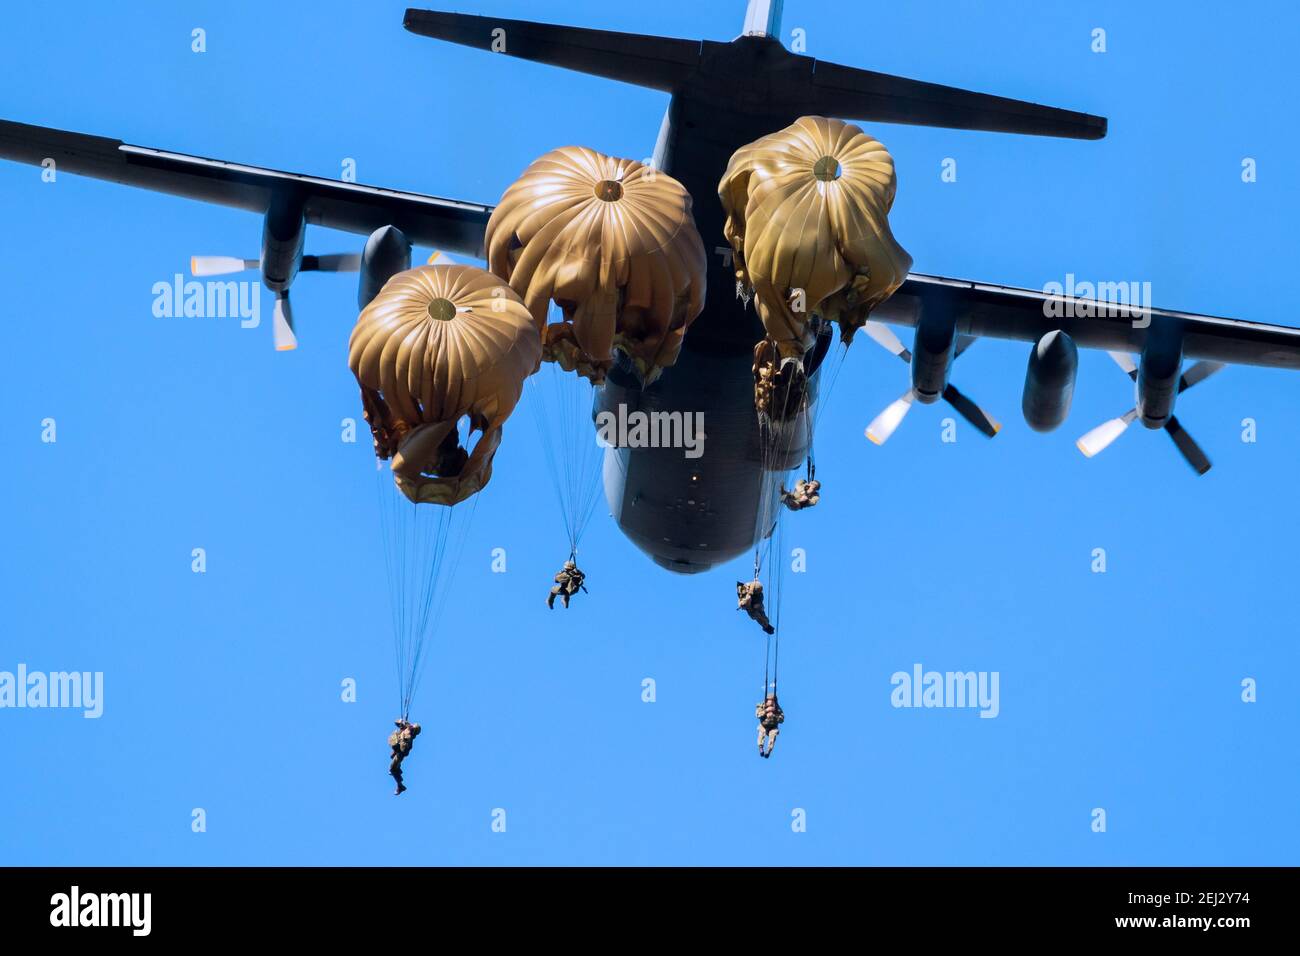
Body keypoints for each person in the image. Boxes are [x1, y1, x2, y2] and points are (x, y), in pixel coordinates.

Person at [388, 718, 422, 795]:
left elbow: (403, 750)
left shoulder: (409, 738)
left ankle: (400, 786)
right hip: (399, 750)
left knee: (392, 769)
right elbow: (396, 722)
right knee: (392, 760)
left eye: (413, 728)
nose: (411, 727)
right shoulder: (408, 727)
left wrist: (400, 741)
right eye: (412, 726)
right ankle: (398, 773)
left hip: (400, 755)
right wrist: (401, 722)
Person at [756, 693, 784, 758]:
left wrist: (774, 716)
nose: (771, 702)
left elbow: (782, 719)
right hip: (764, 725)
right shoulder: (762, 706)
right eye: (769, 700)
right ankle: (761, 748)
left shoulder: (777, 708)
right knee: (761, 733)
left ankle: (768, 750)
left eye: (773, 701)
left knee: (773, 735)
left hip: (773, 726)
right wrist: (766, 711)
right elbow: (758, 715)